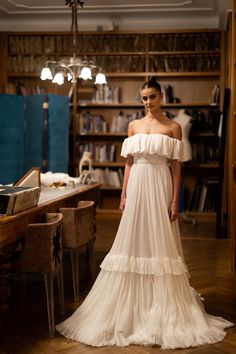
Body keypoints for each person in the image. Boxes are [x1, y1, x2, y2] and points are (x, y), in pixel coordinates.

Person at [56, 76, 233, 349]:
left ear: (161, 96)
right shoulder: (133, 126)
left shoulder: (174, 127)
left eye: (152, 96)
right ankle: (131, 300)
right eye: (144, 98)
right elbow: (128, 163)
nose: (148, 102)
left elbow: (176, 167)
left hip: (160, 184)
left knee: (161, 242)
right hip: (137, 184)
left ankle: (162, 302)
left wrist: (176, 200)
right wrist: (124, 193)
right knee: (133, 239)